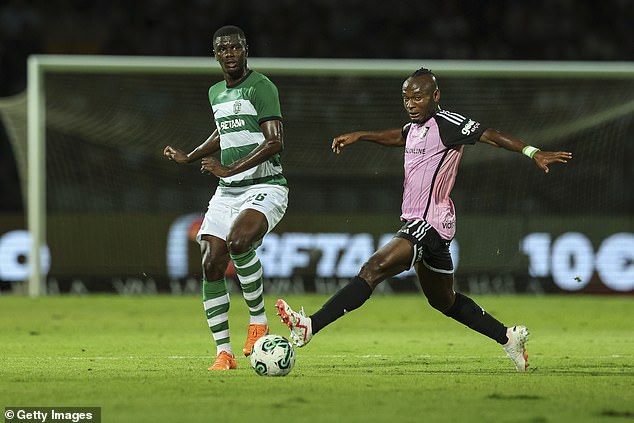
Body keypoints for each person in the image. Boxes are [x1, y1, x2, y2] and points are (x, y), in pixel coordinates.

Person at [276, 68, 572, 372]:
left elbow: (490, 135)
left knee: (372, 269)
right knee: (444, 301)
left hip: (430, 222)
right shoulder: (415, 128)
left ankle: (309, 325)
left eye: (417, 97)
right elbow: (398, 136)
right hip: (424, 224)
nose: (411, 103)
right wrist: (361, 135)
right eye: (406, 97)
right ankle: (508, 338)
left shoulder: (448, 124)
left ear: (435, 96)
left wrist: (531, 151)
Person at [164, 25, 288, 371]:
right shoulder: (216, 92)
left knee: (239, 241)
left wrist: (230, 169)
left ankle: (258, 321)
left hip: (266, 186)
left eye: (235, 47)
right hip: (228, 190)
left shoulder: (261, 87)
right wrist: (190, 157)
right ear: (215, 54)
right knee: (210, 263)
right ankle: (224, 353)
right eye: (223, 49)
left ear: (245, 49)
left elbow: (276, 142)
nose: (230, 53)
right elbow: (225, 130)